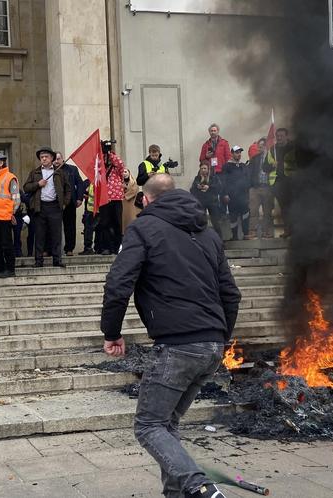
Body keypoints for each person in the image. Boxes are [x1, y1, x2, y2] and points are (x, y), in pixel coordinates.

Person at [100, 174, 241, 498]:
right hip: (211, 344)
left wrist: (112, 333)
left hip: (179, 345)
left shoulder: (143, 228)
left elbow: (118, 283)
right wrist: (219, 337)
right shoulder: (207, 234)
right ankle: (176, 494)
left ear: (146, 200)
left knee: (148, 425)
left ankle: (200, 486)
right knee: (167, 425)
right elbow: (230, 295)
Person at [23, 146, 71, 268]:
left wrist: (65, 202)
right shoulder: (35, 172)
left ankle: (57, 260)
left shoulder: (60, 172)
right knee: (39, 235)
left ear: (52, 158)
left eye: (46, 157)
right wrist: (38, 184)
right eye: (41, 157)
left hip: (55, 206)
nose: (43, 159)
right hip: (40, 207)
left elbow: (68, 188)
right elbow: (26, 187)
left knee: (56, 234)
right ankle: (38, 261)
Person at [96, 143, 125, 255]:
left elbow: (121, 165)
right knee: (105, 223)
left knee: (117, 223)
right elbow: (96, 166)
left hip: (116, 197)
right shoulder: (100, 162)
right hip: (104, 197)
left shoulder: (115, 165)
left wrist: (110, 153)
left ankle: (117, 247)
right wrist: (101, 152)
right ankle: (107, 247)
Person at [56, 152, 84, 256]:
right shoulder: (50, 171)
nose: (56, 161)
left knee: (70, 226)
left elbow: (79, 183)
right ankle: (52, 249)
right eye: (54, 159)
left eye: (58, 159)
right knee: (54, 227)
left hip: (70, 202)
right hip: (55, 203)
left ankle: (69, 249)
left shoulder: (72, 169)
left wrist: (79, 198)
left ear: (62, 159)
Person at [221, 146, 251, 241]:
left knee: (246, 214)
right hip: (232, 196)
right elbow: (223, 181)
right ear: (232, 154)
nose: (239, 154)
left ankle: (246, 234)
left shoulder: (243, 166)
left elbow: (247, 179)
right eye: (236, 152)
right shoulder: (226, 166)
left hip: (243, 196)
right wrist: (225, 194)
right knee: (233, 216)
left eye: (240, 152)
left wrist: (247, 193)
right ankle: (234, 236)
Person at [248, 138, 276, 239]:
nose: (260, 148)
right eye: (259, 146)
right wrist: (251, 186)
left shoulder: (272, 158)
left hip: (267, 187)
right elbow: (250, 173)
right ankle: (252, 232)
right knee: (253, 211)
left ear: (266, 146)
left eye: (262, 146)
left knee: (267, 211)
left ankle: (267, 232)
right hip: (255, 188)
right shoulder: (254, 158)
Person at [190, 160, 223, 237]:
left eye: (205, 168)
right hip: (201, 203)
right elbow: (192, 190)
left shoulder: (213, 178)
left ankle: (220, 241)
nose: (203, 170)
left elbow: (219, 188)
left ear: (208, 169)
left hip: (213, 202)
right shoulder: (197, 178)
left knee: (216, 223)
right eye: (202, 168)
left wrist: (209, 187)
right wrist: (198, 187)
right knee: (201, 222)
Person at [79, 180, 95, 255]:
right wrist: (85, 193)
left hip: (101, 209)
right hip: (89, 209)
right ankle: (88, 248)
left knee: (101, 228)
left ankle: (99, 247)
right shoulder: (87, 182)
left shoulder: (103, 180)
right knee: (88, 228)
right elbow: (82, 192)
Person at [121, 168, 140, 233]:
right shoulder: (120, 182)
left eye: (125, 172)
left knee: (131, 219)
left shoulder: (133, 182)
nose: (124, 173)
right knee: (124, 221)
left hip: (131, 204)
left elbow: (135, 190)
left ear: (129, 173)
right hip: (122, 205)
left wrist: (125, 195)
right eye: (123, 172)